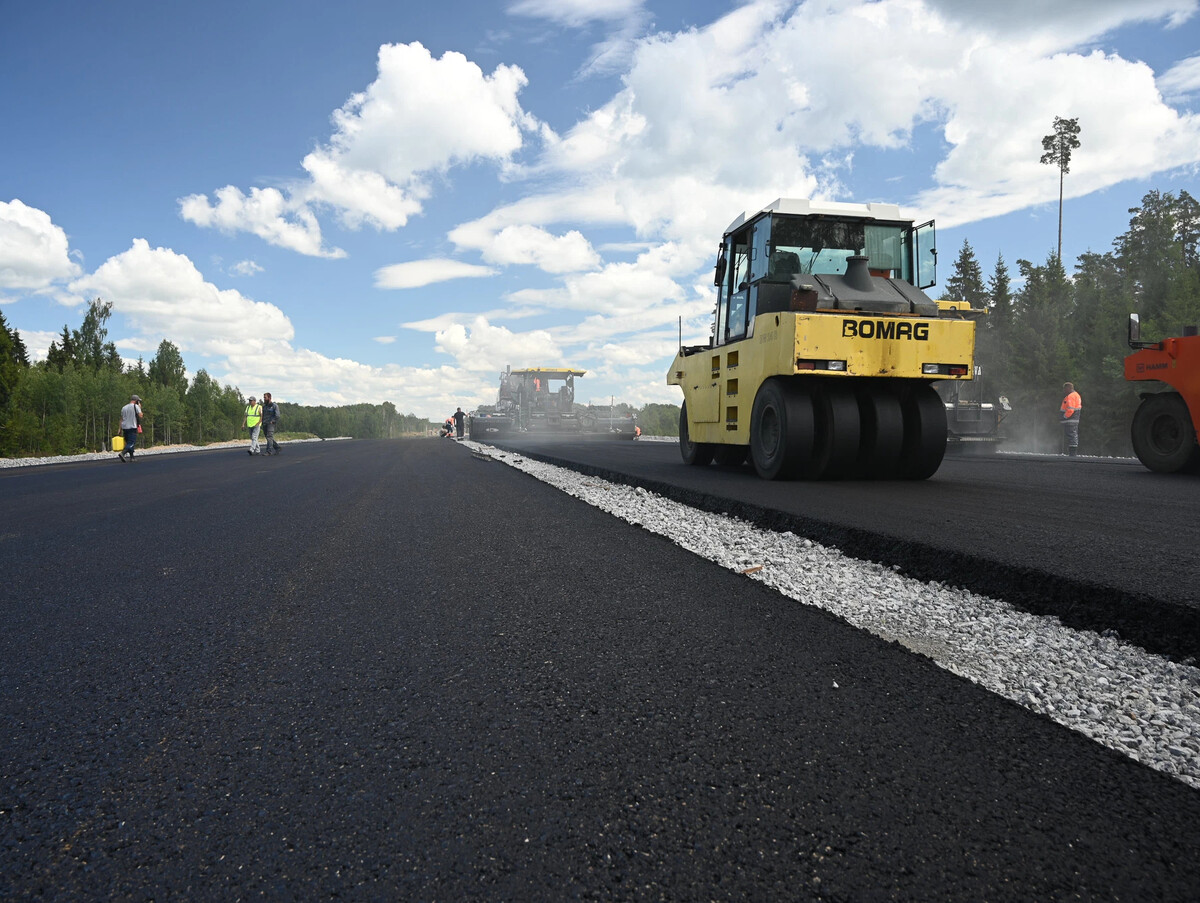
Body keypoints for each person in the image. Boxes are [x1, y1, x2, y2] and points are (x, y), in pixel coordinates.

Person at [117, 393, 143, 462]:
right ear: (136, 401)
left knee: (128, 442)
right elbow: (141, 415)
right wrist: (140, 407)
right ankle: (123, 453)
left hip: (125, 427)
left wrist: (119, 429)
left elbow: (121, 419)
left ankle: (132, 457)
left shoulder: (124, 407)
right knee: (131, 442)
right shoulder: (136, 406)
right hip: (132, 427)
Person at [1060, 381, 1082, 456]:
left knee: (1071, 435)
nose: (1064, 391)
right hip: (1074, 419)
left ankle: (1072, 454)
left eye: (1065, 389)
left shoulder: (1071, 396)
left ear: (1069, 388)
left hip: (1070, 420)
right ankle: (1072, 453)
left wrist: (1064, 416)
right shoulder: (1076, 395)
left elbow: (1070, 409)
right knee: (1073, 435)